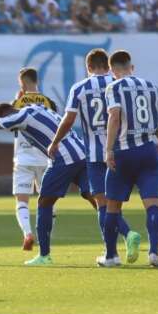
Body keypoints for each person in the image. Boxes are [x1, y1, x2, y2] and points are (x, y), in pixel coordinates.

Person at [0, 102, 97, 266]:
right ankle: (121, 239)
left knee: (43, 203)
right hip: (81, 152)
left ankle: (44, 255)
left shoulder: (20, 117)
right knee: (96, 197)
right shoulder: (35, 106)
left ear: (8, 115)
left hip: (62, 158)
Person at [48, 49, 140, 265]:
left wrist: (55, 141)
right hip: (120, 149)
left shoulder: (79, 87)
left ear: (88, 67)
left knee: (101, 204)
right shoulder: (119, 83)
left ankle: (113, 252)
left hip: (95, 153)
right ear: (108, 66)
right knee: (115, 203)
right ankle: (125, 237)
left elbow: (68, 120)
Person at [100, 50, 158, 268]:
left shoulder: (114, 87)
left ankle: (111, 256)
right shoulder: (151, 85)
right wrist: (157, 136)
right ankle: (154, 253)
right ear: (132, 67)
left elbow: (114, 117)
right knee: (152, 204)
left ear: (112, 70)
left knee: (112, 206)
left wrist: (109, 149)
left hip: (123, 152)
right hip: (148, 151)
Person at [11, 68, 57, 251]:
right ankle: (45, 240)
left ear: (22, 82)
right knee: (48, 202)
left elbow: (8, 122)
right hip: (45, 159)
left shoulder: (17, 103)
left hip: (23, 158)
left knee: (21, 201)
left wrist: (16, 100)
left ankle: (27, 233)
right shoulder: (48, 102)